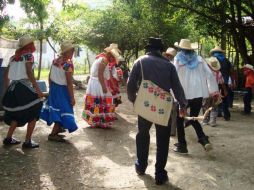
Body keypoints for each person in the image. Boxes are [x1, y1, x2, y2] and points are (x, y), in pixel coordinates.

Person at [127, 37, 187, 185]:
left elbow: (130, 85)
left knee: (143, 134)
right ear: (161, 50)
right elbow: (177, 88)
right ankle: (160, 173)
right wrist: (183, 105)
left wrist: (135, 100)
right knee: (163, 139)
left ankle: (141, 166)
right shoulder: (169, 65)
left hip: (145, 104)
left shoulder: (140, 61)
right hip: (163, 107)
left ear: (148, 49)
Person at [173, 39, 219, 154]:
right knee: (193, 117)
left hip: (183, 96)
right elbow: (210, 74)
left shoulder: (178, 59)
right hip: (198, 94)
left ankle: (182, 146)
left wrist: (172, 93)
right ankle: (203, 139)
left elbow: (173, 75)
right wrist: (214, 91)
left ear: (180, 48)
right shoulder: (199, 59)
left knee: (179, 120)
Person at [2, 35, 44, 148]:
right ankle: (28, 141)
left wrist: (7, 91)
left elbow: (5, 75)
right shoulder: (29, 56)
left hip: (13, 87)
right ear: (29, 45)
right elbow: (29, 73)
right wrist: (38, 90)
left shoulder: (13, 57)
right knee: (35, 110)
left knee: (17, 113)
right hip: (24, 87)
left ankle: (8, 138)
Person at [40, 41, 78, 142]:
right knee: (63, 110)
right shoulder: (67, 64)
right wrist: (72, 97)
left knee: (57, 109)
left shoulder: (55, 61)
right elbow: (69, 82)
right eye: (71, 50)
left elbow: (50, 75)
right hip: (62, 90)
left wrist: (51, 88)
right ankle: (53, 134)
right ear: (66, 52)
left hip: (54, 88)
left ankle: (57, 131)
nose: (73, 52)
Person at [82, 43, 123, 128]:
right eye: (111, 55)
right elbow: (100, 74)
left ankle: (97, 121)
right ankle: (101, 121)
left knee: (98, 101)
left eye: (113, 56)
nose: (112, 58)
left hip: (95, 82)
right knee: (104, 100)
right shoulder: (104, 60)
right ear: (108, 54)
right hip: (98, 82)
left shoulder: (102, 59)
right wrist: (104, 87)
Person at [202, 57, 228, 127]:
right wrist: (225, 90)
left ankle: (205, 120)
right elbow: (222, 83)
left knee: (205, 106)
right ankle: (212, 121)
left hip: (206, 92)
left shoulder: (205, 72)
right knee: (214, 107)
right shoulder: (218, 73)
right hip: (215, 92)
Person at [210, 46, 232, 121]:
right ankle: (227, 115)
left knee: (215, 98)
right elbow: (230, 70)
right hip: (224, 81)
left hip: (214, 82)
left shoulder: (213, 60)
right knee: (224, 98)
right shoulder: (226, 60)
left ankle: (218, 112)